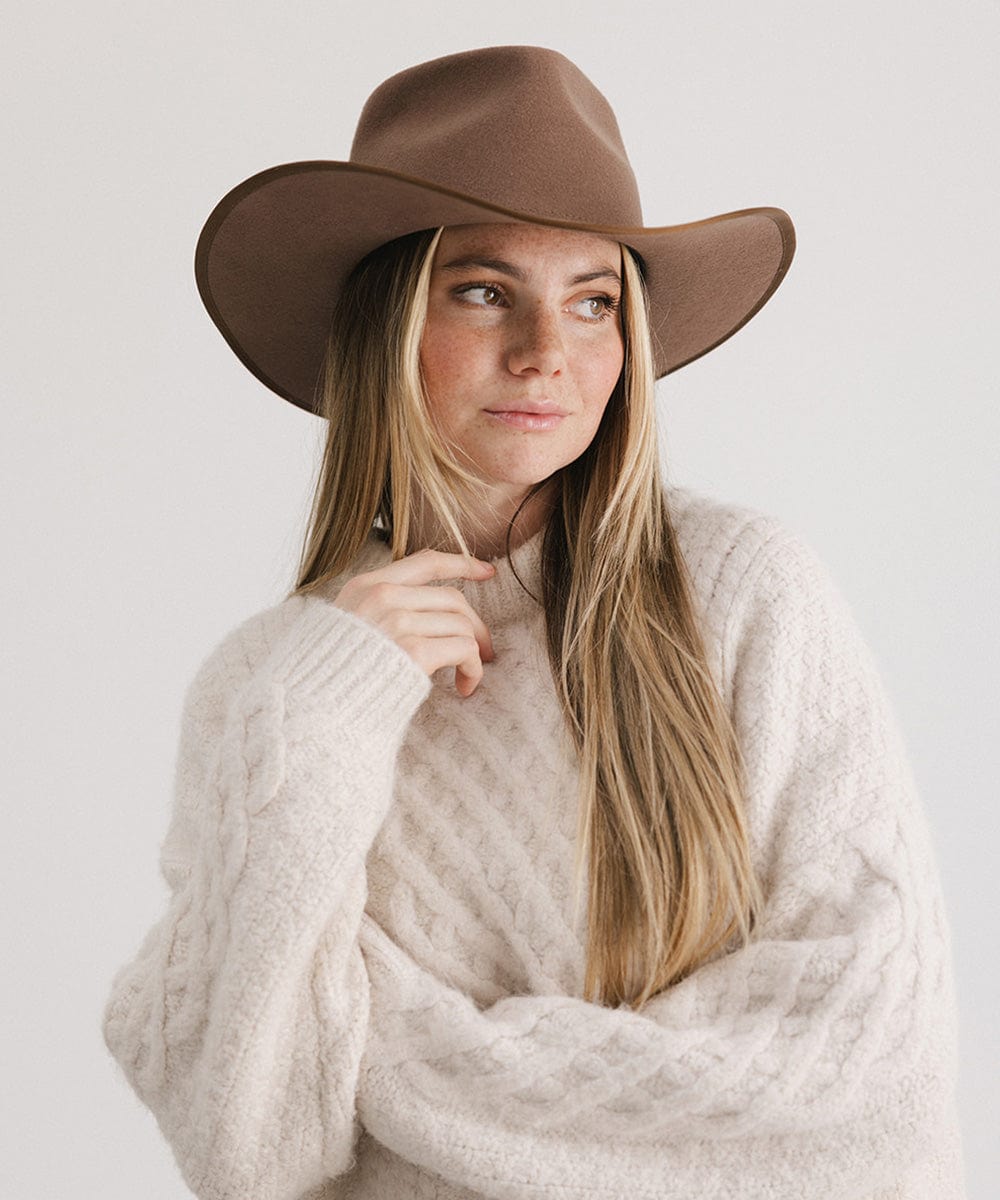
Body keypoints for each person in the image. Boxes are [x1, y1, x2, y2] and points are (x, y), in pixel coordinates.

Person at [102, 46, 965, 1200]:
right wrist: (320, 721)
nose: (546, 354)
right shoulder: (272, 691)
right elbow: (251, 1152)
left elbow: (870, 1077)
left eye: (593, 301)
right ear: (385, 321)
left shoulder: (746, 593)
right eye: (482, 290)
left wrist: (387, 1062)